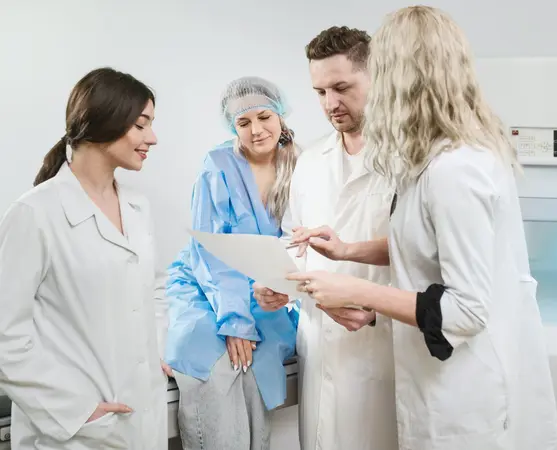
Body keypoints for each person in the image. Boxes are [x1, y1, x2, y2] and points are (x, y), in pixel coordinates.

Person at [285, 6, 557, 450]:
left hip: (461, 390)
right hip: (428, 377)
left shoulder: (455, 168)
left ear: (401, 76)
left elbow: (467, 309)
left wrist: (359, 292)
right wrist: (348, 252)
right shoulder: (437, 157)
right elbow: (427, 247)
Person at [0, 67, 169, 449]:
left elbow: (155, 289)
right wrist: (76, 410)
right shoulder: (35, 214)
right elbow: (5, 336)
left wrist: (157, 347)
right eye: (141, 125)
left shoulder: (138, 208)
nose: (152, 138)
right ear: (105, 121)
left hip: (142, 415)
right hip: (75, 430)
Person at [254, 27, 398, 450]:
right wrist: (278, 284)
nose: (330, 103)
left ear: (375, 78)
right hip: (319, 346)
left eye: (341, 88)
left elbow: (424, 260)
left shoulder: (406, 161)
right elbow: (295, 241)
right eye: (320, 92)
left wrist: (377, 311)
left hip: (381, 347)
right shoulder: (311, 162)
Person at [163, 76, 299, 450]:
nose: (256, 130)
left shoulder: (300, 166)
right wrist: (235, 320)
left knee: (256, 361)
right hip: (203, 281)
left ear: (280, 115)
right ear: (232, 127)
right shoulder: (217, 166)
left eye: (264, 117)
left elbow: (300, 242)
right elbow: (210, 251)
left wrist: (283, 292)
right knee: (209, 358)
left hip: (265, 288)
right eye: (243, 122)